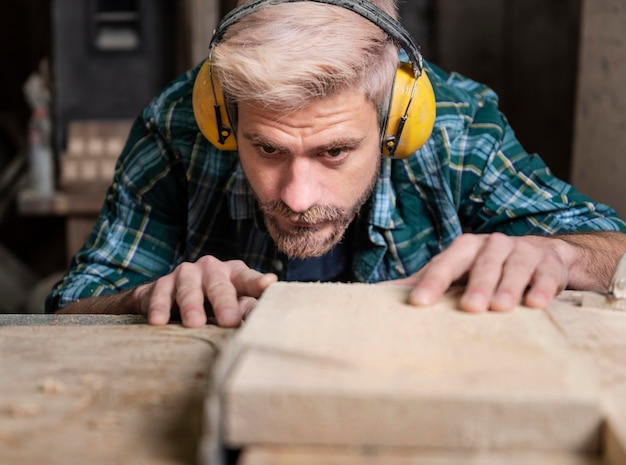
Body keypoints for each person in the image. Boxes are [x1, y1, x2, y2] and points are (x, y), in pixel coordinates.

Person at [47, 0, 626, 328]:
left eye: (334, 151)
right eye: (268, 148)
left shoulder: (456, 126)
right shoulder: (177, 124)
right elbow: (74, 306)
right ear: (222, 117)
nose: (297, 197)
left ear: (397, 120)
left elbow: (614, 247)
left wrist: (557, 252)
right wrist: (144, 296)